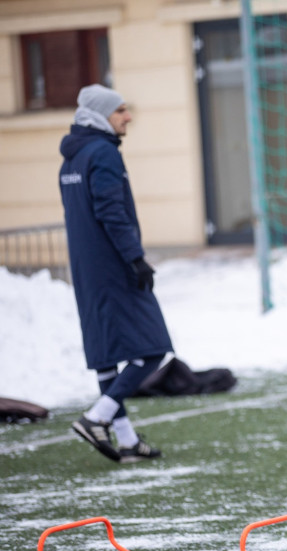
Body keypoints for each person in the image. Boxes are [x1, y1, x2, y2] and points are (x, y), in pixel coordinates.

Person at [59, 84, 172, 464]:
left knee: (108, 355)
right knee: (153, 347)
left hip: (86, 270)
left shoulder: (71, 159)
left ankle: (125, 440)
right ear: (100, 116)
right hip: (113, 268)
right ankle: (97, 418)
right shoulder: (103, 153)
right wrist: (135, 258)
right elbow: (111, 211)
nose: (128, 116)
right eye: (120, 110)